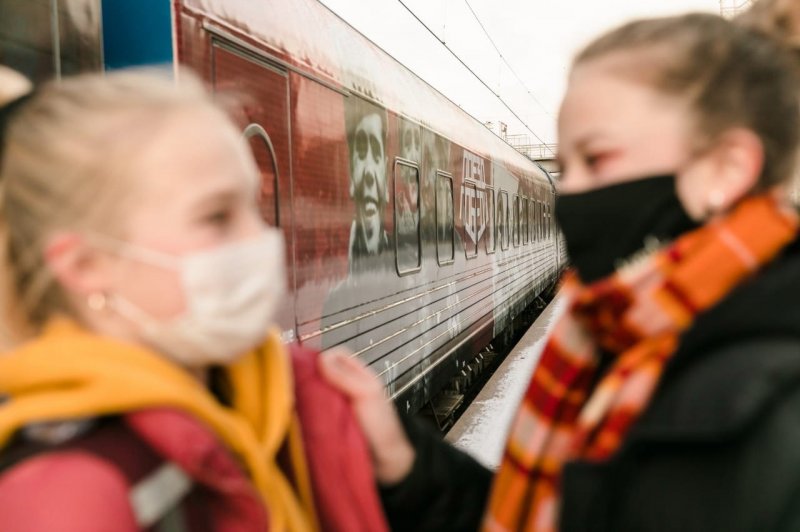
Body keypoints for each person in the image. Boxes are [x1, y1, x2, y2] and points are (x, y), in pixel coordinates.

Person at [321, 4, 800, 531]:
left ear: (726, 168)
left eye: (595, 160)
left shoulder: (768, 402)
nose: (568, 195)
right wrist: (407, 464)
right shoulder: (621, 335)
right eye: (565, 168)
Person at [0, 69, 388, 532]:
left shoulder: (296, 397)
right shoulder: (63, 498)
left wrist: (406, 473)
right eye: (217, 216)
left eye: (255, 207)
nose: (263, 238)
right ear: (86, 265)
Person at [345, 98, 391, 274]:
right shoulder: (336, 299)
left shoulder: (404, 280)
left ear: (386, 178)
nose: (369, 173)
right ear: (351, 173)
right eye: (361, 153)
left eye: (376, 154)